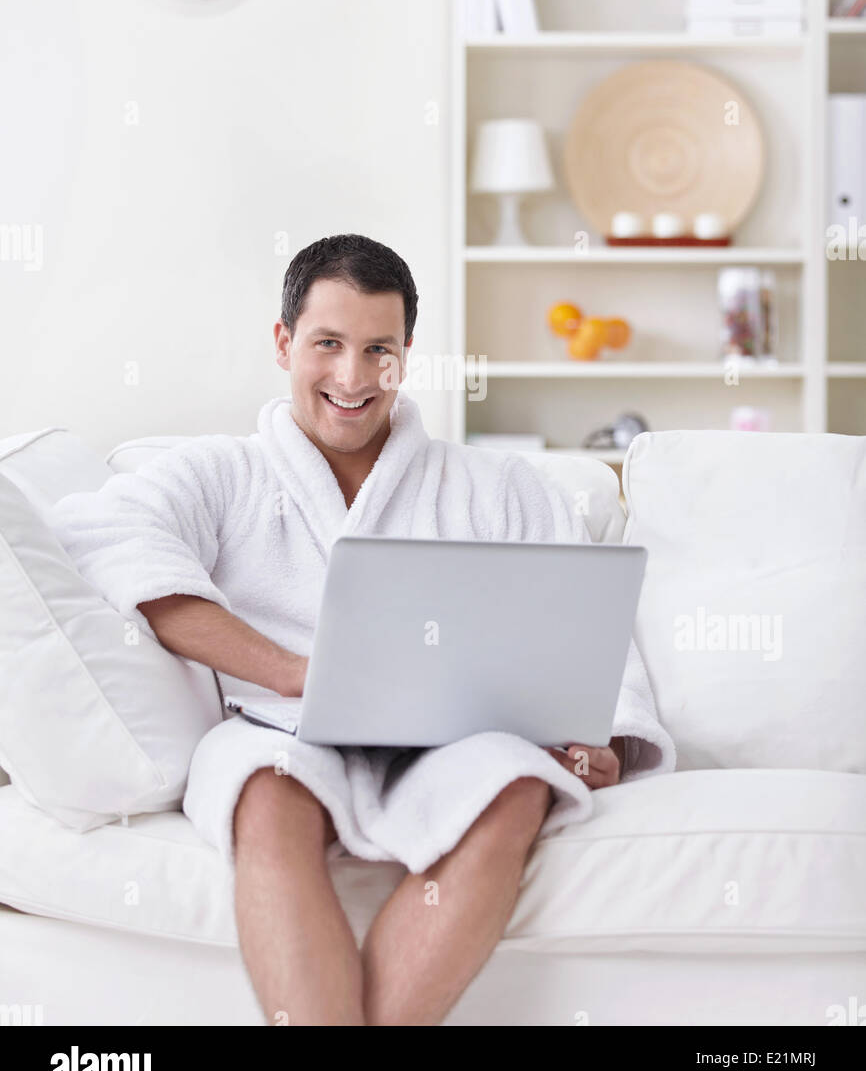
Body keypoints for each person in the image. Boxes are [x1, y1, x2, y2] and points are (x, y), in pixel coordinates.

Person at [51, 233, 674, 1026]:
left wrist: (606, 742)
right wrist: (288, 669)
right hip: (282, 728)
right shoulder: (221, 474)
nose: (352, 377)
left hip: (459, 738)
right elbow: (104, 541)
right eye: (327, 345)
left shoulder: (499, 486)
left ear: (406, 355)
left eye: (378, 349)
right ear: (284, 343)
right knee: (267, 793)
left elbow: (589, 626)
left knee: (520, 785)